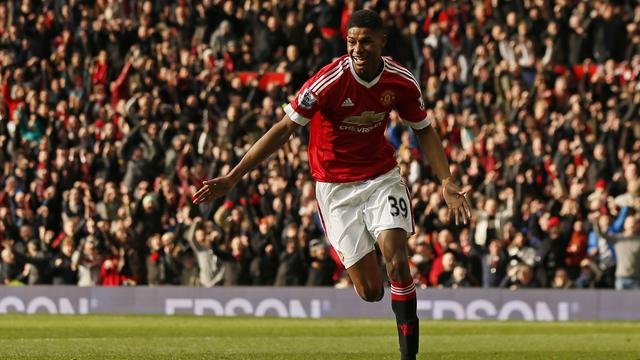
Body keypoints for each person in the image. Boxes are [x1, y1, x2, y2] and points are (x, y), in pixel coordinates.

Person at [193, 10, 471, 360]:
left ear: (381, 42)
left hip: (381, 178)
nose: (357, 48)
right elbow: (284, 128)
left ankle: (408, 357)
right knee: (371, 291)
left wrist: (446, 180)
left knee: (398, 261)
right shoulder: (327, 82)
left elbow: (424, 129)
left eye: (366, 40)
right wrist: (234, 176)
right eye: (352, 40)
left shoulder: (400, 81)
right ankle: (363, 241)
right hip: (335, 189)